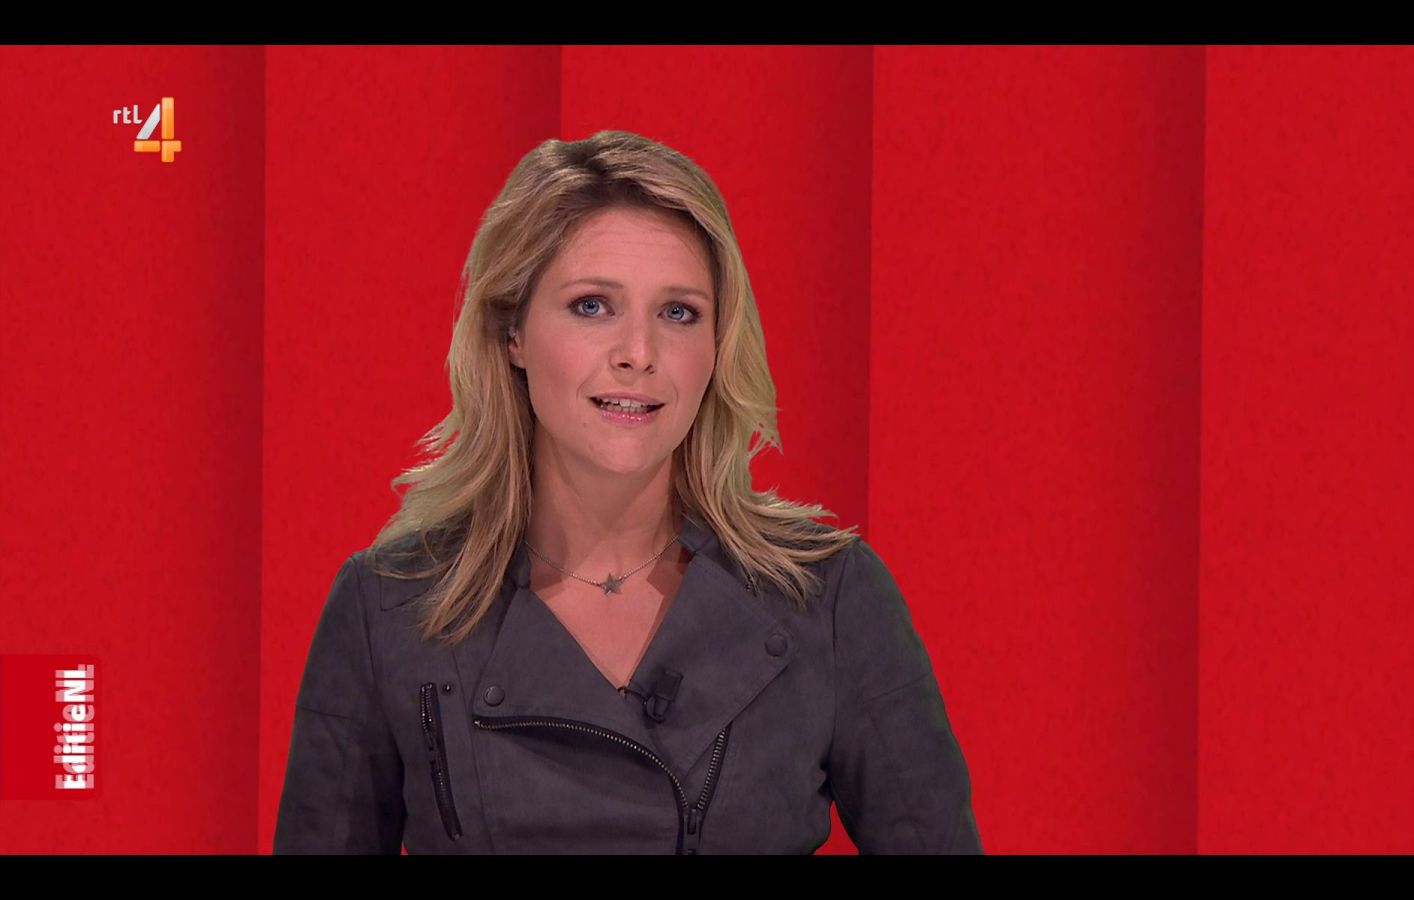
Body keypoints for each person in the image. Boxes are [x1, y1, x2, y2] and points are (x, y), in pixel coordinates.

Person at [273, 129, 983, 854]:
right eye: (592, 306)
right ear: (513, 333)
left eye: (678, 313)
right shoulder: (389, 608)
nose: (638, 355)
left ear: (717, 347)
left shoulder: (828, 598)